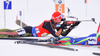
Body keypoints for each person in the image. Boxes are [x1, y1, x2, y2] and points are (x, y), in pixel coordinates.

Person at [0, 12, 80, 38]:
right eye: (60, 19)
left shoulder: (55, 25)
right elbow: (56, 35)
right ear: (56, 19)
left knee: (13, 34)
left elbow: (63, 34)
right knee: (12, 33)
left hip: (32, 34)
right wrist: (62, 27)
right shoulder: (48, 24)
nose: (61, 20)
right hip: (28, 30)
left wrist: (72, 26)